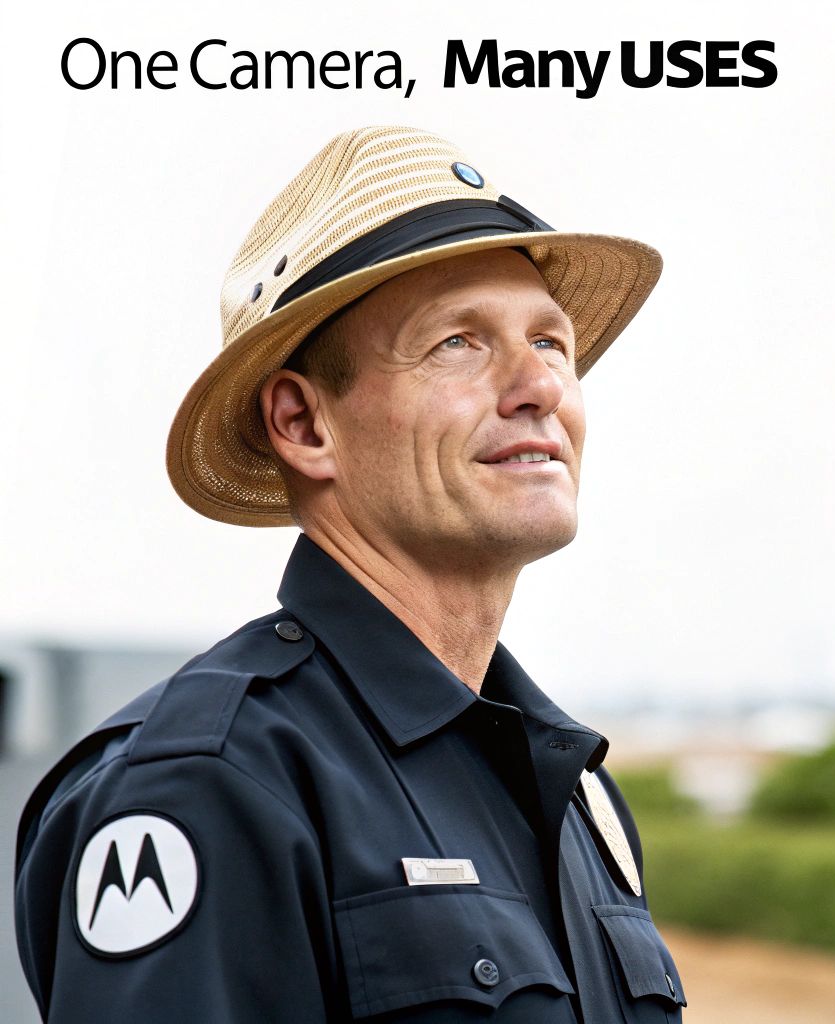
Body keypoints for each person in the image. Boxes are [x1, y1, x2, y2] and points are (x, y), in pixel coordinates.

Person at [13, 127, 685, 1022]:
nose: (541, 387)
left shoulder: (574, 792)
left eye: (552, 343)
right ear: (303, 423)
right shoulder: (209, 784)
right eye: (458, 342)